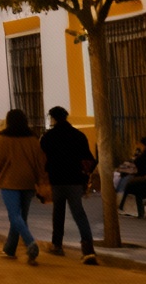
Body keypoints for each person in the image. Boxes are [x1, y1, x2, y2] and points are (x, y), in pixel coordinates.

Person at [0, 108, 49, 265]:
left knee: (14, 216)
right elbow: (40, 163)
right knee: (21, 217)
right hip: (28, 182)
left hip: (10, 182)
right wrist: (41, 180)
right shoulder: (33, 140)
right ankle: (10, 249)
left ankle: (30, 243)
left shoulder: (4, 139)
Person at [39, 106, 97, 264]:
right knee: (79, 214)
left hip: (57, 180)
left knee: (58, 212)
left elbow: (42, 159)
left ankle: (57, 245)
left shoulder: (48, 137)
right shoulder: (78, 135)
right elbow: (90, 159)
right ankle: (88, 250)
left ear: (53, 118)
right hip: (75, 180)